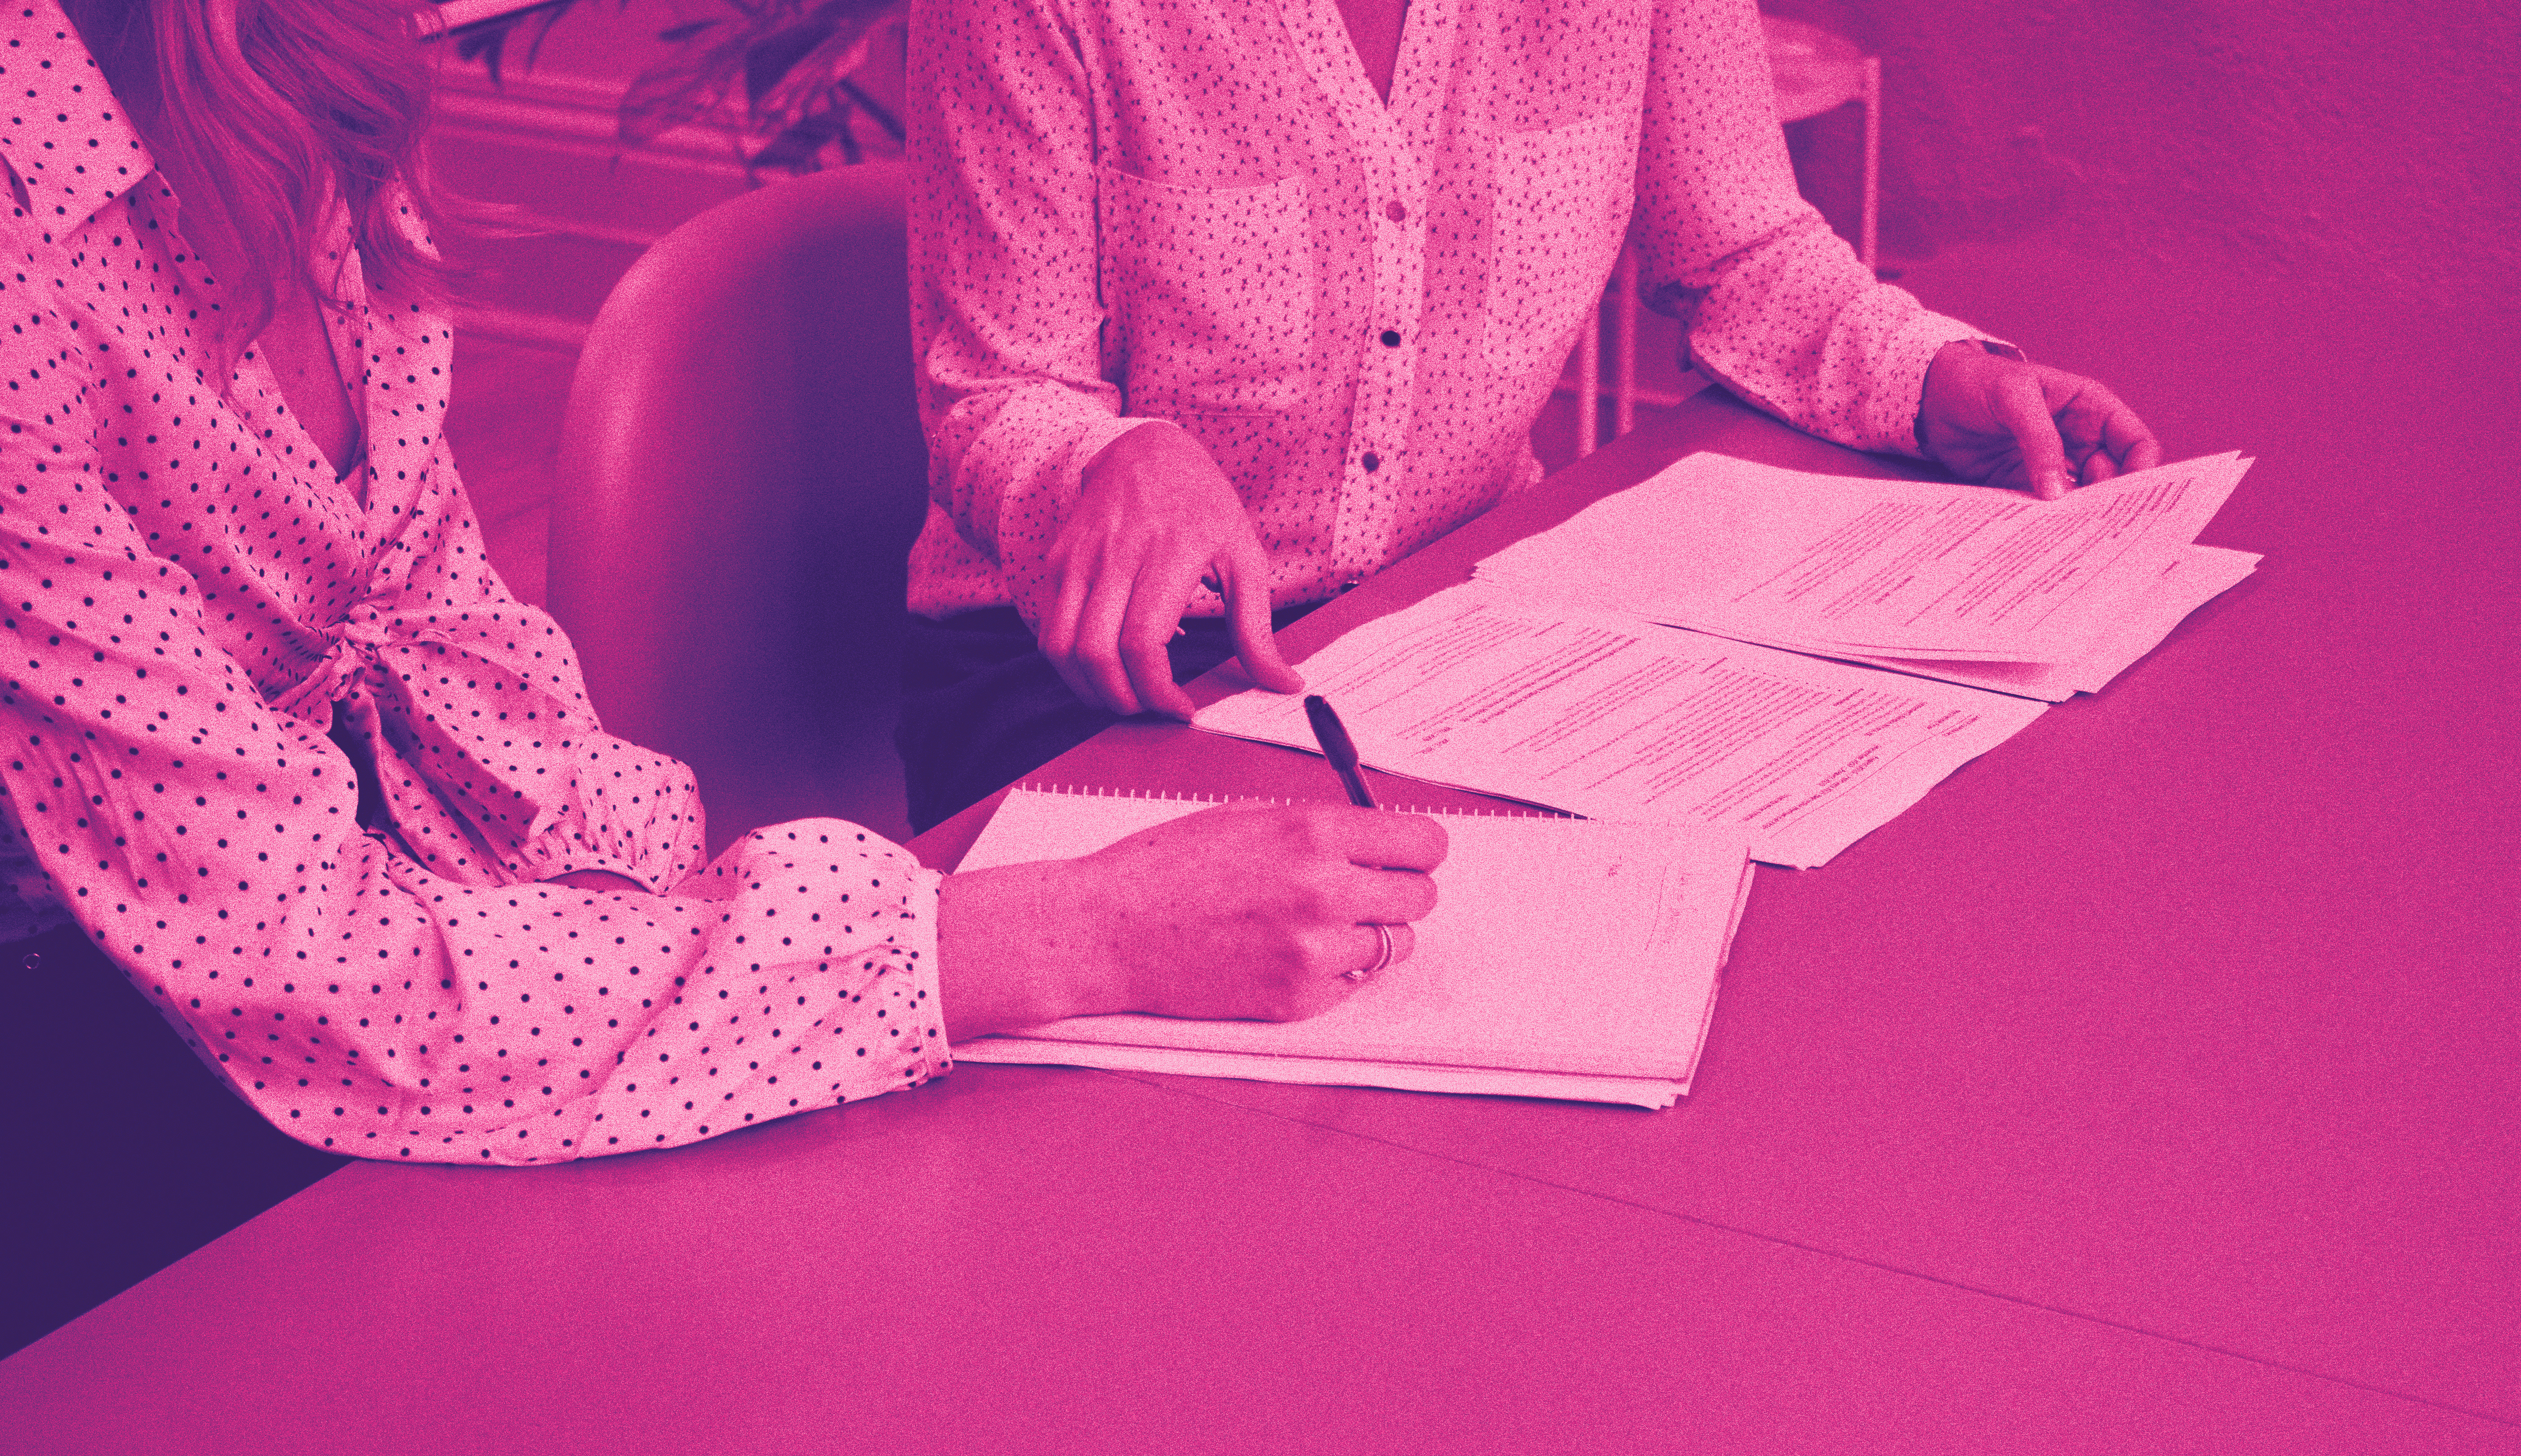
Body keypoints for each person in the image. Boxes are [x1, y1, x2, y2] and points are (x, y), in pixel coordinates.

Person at [0, 0, 1442, 1353]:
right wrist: (1076, 937)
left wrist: (681, 938)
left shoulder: (293, 83)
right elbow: (327, 982)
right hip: (98, 1108)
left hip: (379, 966)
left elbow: (458, 660)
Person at [900, 0, 2164, 829]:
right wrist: (1111, 455)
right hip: (1101, 684)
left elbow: (1741, 249)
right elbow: (999, 392)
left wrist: (1934, 377)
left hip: (1451, 635)